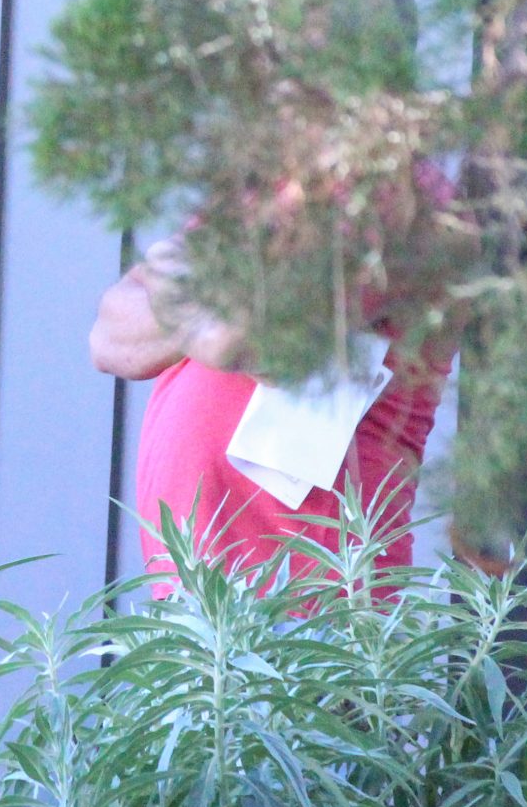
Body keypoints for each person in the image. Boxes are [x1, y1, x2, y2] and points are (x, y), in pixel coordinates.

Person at [91, 200, 457, 593]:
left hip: (309, 597)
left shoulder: (397, 201)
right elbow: (108, 336)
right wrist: (202, 304)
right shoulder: (251, 197)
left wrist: (169, 277)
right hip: (200, 596)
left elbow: (247, 340)